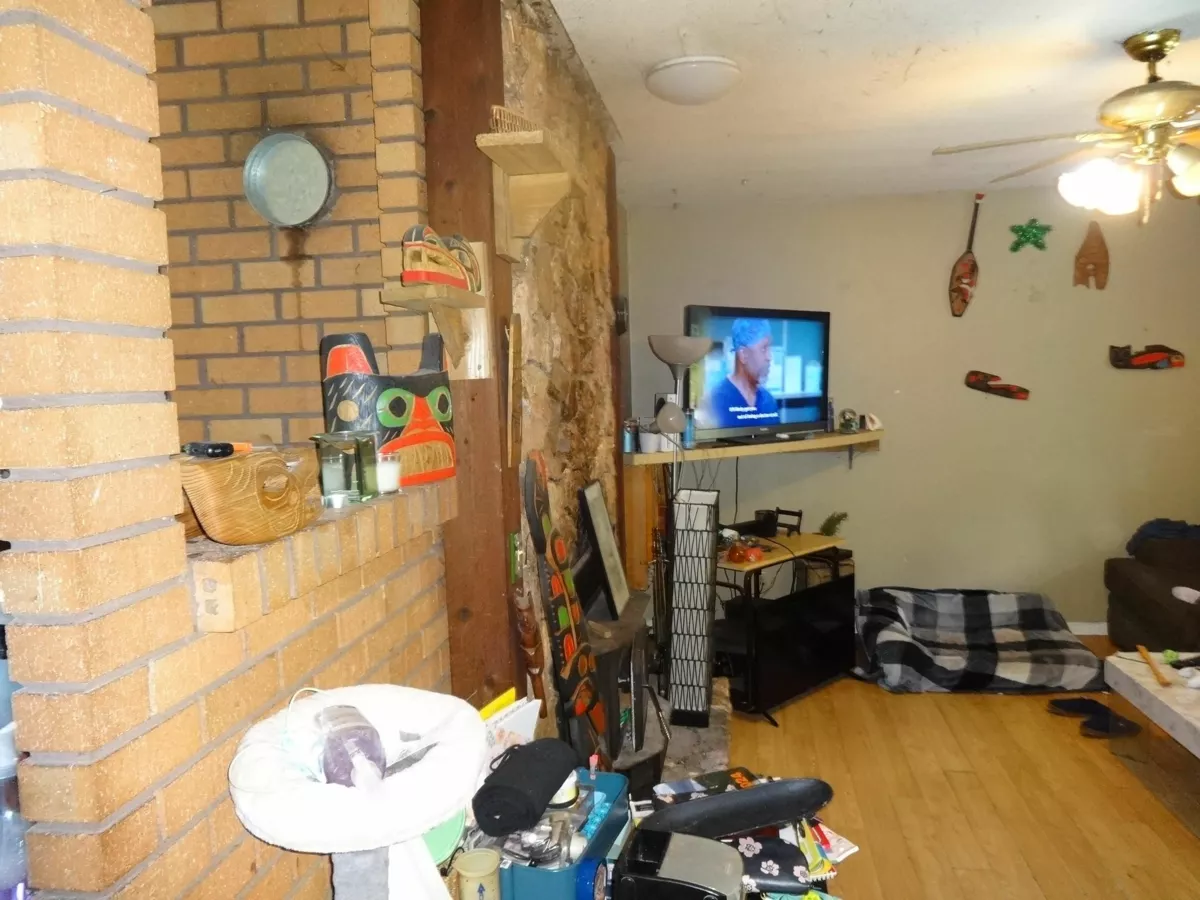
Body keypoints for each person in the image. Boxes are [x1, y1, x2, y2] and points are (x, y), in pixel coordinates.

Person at [701, 318, 779, 429]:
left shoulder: (769, 402)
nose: (769, 357)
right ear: (743, 354)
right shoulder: (715, 401)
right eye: (763, 349)